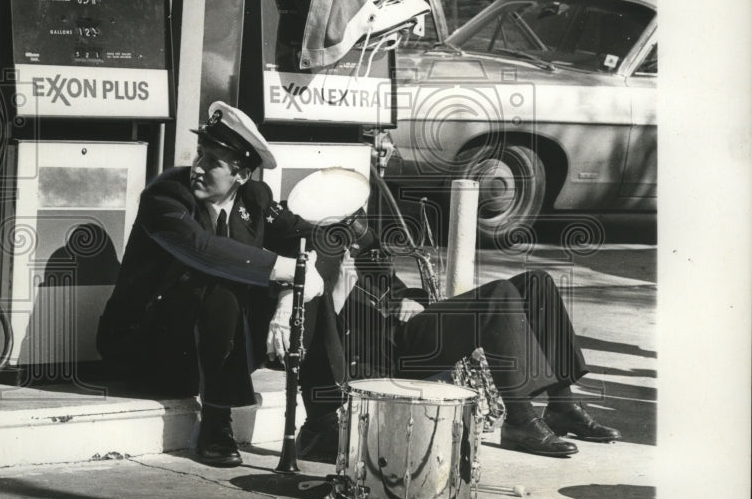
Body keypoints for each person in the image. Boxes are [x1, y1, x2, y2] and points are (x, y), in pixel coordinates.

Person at [289, 205, 621, 463]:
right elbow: (320, 336)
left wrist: (408, 300)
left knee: (537, 283)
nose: (351, 223)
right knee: (500, 294)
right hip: (382, 358)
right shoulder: (312, 256)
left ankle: (561, 404)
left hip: (405, 332)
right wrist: (338, 295)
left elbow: (393, 287)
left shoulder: (359, 244)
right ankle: (520, 419)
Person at [96, 101, 324, 467]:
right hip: (148, 350)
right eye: (200, 154)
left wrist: (289, 294)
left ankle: (325, 420)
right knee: (223, 281)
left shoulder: (256, 198)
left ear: (242, 175)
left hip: (216, 348)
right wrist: (289, 270)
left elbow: (310, 240)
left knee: (314, 291)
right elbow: (204, 250)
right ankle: (216, 424)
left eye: (213, 161)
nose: (197, 168)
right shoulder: (166, 194)